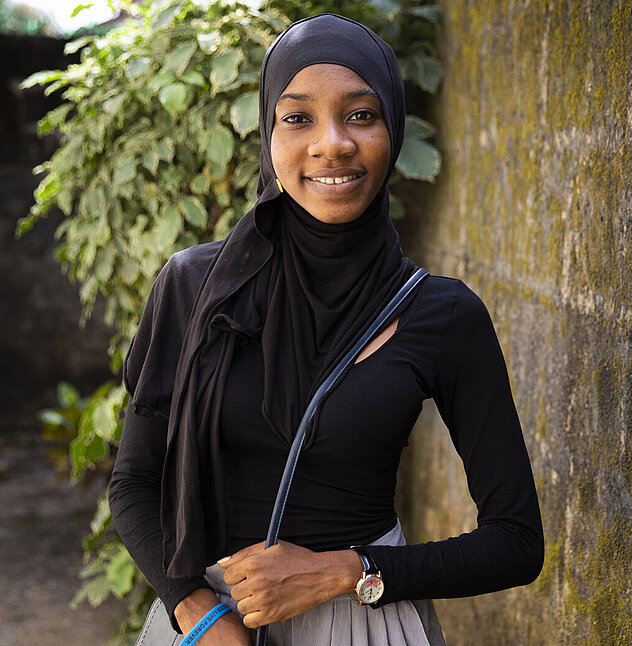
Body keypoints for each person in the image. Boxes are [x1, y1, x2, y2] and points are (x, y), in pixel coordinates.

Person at [109, 13, 544, 646]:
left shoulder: (441, 314)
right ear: (269, 134)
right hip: (214, 625)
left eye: (361, 115)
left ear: (393, 129)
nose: (332, 143)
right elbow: (134, 482)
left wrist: (344, 572)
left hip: (366, 619)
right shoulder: (194, 288)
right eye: (298, 118)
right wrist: (198, 611)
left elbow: (517, 542)